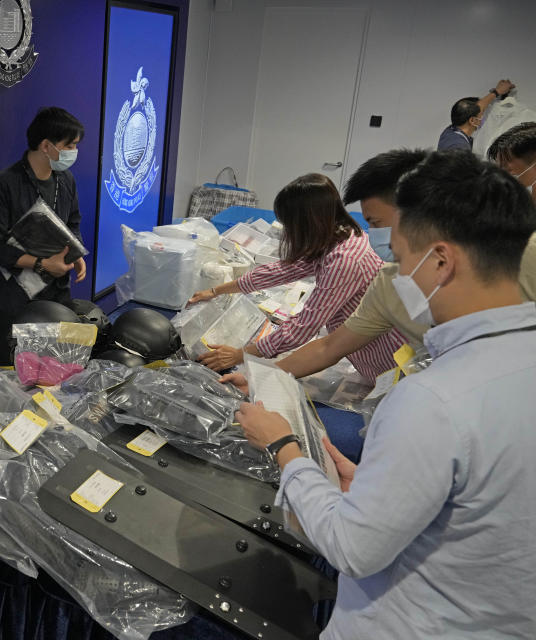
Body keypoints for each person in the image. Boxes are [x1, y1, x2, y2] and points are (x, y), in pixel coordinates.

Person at [233, 150, 536, 638]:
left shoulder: (433, 400)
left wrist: (284, 448)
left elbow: (353, 546)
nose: (393, 270)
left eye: (398, 256)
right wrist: (381, 487)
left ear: (440, 261)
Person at [275, 148, 536, 380]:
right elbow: (329, 347)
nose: (373, 234)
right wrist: (266, 376)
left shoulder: (522, 253)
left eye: (376, 223)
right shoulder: (390, 282)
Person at [187, 173, 404, 383]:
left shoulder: (345, 259)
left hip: (385, 361)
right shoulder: (339, 236)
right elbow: (282, 270)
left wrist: (240, 354)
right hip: (364, 350)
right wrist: (216, 291)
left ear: (308, 222)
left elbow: (303, 329)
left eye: (290, 225)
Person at [0, 107, 87, 365]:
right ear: (46, 145)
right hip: (13, 296)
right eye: (69, 145)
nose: (74, 151)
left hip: (57, 290)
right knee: (14, 366)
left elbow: (73, 222)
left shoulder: (66, 179)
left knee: (57, 363)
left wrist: (76, 253)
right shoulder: (2, 184)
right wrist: (40, 264)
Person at [437, 79, 515, 151]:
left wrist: (497, 92)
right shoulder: (459, 147)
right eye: (481, 114)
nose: (482, 117)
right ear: (472, 120)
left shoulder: (450, 132)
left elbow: (479, 106)